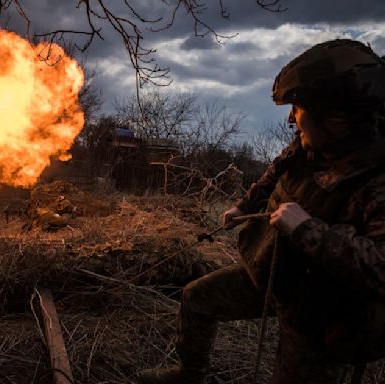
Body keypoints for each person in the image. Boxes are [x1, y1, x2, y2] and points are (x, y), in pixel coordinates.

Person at [136, 39, 385, 384]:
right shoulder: (311, 144)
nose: (291, 118)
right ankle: (189, 375)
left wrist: (307, 229)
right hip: (274, 276)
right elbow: (276, 172)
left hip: (321, 316)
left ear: (335, 118)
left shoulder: (376, 177)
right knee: (197, 297)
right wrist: (245, 205)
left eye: (298, 109)